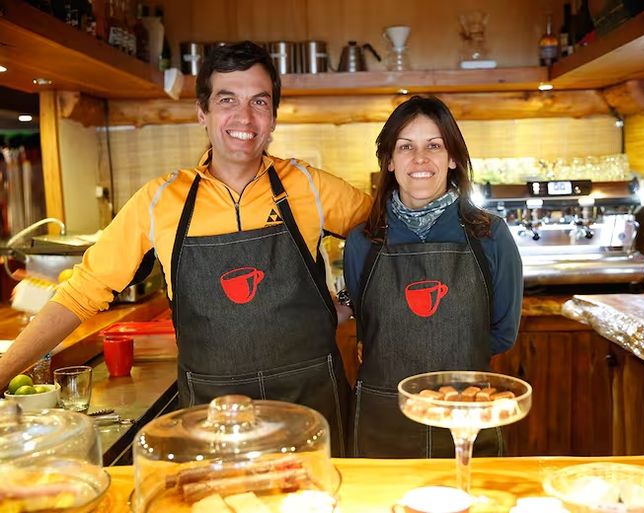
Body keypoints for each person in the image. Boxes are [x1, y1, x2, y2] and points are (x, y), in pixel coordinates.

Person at [0, 41, 371, 456]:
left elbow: (388, 236)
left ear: (272, 118)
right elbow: (81, 293)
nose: (244, 117)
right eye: (227, 99)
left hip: (313, 405)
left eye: (259, 101)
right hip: (213, 414)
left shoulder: (310, 186)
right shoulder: (160, 200)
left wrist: (348, 300)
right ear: (203, 113)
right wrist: (3, 371)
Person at [342, 96, 523, 458]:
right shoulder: (363, 241)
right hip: (383, 421)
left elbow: (502, 334)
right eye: (406, 146)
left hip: (466, 418)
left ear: (452, 158)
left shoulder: (491, 235)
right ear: (390, 161)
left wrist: (452, 384)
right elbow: (366, 328)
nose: (420, 159)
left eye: (434, 146)